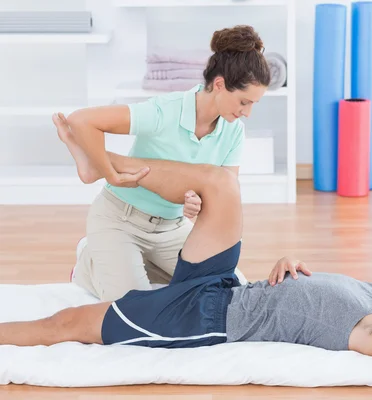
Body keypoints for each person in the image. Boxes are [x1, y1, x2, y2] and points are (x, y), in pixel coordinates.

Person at [0, 141, 372, 379]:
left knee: (65, 324)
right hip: (226, 285)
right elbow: (314, 300)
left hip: (202, 317)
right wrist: (289, 261)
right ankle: (101, 163)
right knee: (222, 185)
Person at [52, 25, 272, 302]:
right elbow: (82, 120)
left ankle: (133, 262)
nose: (247, 113)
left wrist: (199, 204)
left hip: (172, 227)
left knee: (226, 291)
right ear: (219, 85)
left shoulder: (233, 131)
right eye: (244, 101)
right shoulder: (164, 111)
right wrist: (112, 175)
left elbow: (224, 194)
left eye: (253, 104)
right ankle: (89, 264)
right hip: (121, 219)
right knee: (135, 308)